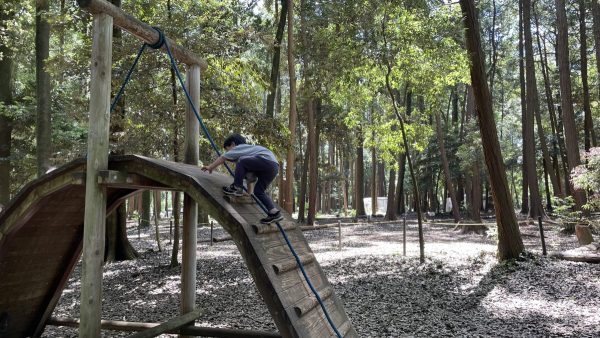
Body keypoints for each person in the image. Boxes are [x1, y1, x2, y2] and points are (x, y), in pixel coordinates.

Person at [201, 134, 283, 224]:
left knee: (242, 160)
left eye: (227, 149)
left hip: (266, 161)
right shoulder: (250, 155)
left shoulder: (240, 147)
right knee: (259, 192)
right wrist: (249, 193)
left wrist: (210, 167)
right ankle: (274, 212)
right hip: (273, 167)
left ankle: (237, 187)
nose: (228, 152)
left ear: (233, 144)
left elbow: (223, 157)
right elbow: (250, 178)